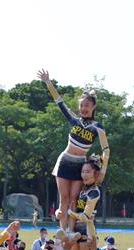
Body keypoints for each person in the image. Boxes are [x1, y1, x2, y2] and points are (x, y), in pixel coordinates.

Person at [38, 68, 109, 232]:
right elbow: (59, 102)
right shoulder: (74, 120)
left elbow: (106, 149)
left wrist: (103, 170)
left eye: (88, 105)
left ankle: (70, 231)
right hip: (65, 161)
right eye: (82, 105)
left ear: (93, 107)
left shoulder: (97, 127)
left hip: (79, 165)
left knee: (73, 199)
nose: (84, 108)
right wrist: (48, 83)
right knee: (63, 198)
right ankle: (62, 232)